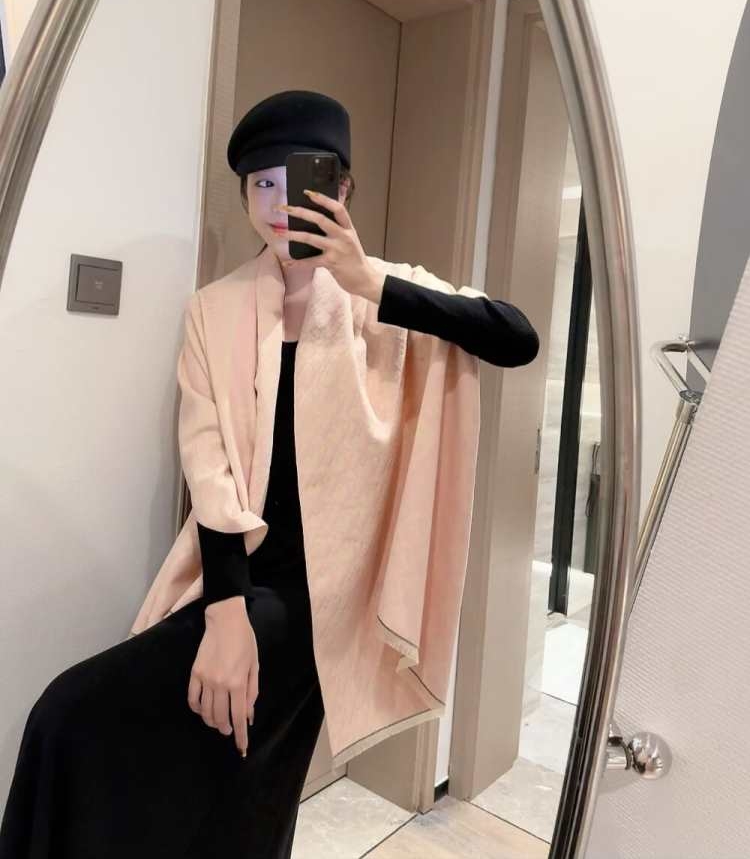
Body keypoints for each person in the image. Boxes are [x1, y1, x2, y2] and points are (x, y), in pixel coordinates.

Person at [0, 90, 539, 858]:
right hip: (238, 584)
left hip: (330, 606)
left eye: (301, 180)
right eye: (262, 183)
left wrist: (367, 280)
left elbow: (516, 337)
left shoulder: (383, 294)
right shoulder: (214, 309)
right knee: (76, 721)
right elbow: (210, 467)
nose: (280, 203)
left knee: (241, 787)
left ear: (342, 187)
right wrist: (227, 616)